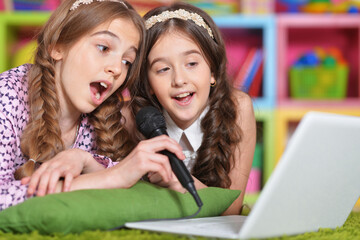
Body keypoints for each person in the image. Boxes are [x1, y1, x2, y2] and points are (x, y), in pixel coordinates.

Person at [0, 0, 184, 211]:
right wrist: (103, 180)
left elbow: (121, 179)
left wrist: (91, 163)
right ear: (58, 46)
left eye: (127, 61)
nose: (117, 69)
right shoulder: (7, 95)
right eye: (103, 48)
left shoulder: (98, 120)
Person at [130, 2, 257, 215]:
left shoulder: (237, 108)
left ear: (213, 71)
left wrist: (176, 180)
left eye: (191, 64)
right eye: (162, 69)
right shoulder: (131, 118)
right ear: (148, 84)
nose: (179, 80)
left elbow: (231, 210)